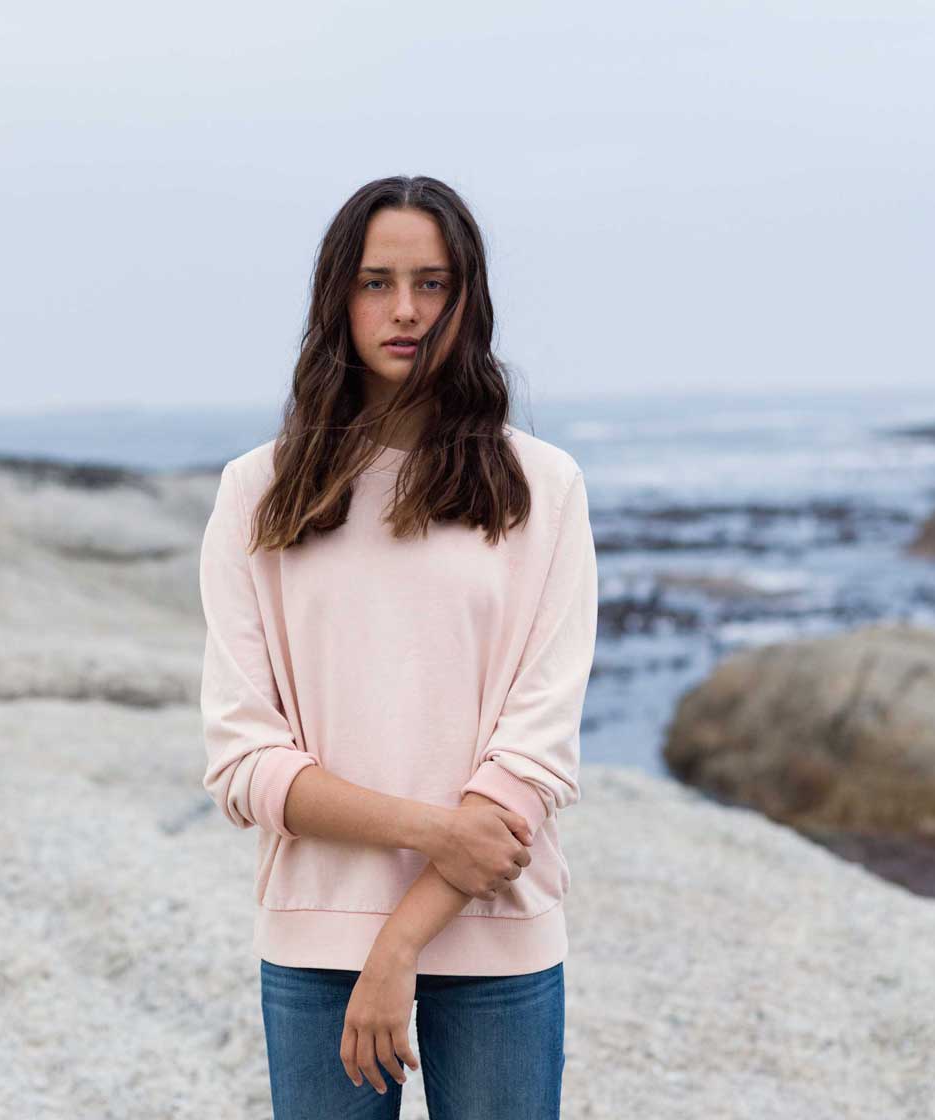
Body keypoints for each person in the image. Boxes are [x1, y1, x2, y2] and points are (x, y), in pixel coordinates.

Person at [197, 174, 598, 1119]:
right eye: (377, 282)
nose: (406, 310)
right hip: (315, 937)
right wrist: (431, 831)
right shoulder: (257, 495)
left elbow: (534, 758)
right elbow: (244, 763)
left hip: (497, 932)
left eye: (433, 283)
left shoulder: (545, 489)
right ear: (338, 296)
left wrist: (399, 943)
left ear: (470, 299)